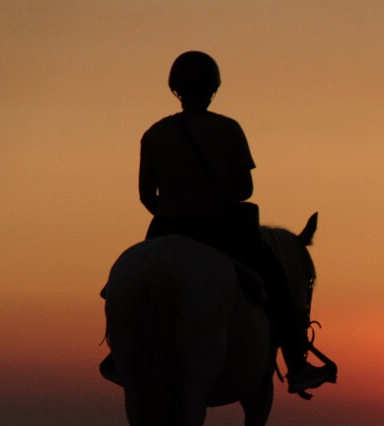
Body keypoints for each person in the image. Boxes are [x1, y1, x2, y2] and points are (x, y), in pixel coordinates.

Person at [102, 51, 335, 396]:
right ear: (213, 89)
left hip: (166, 227)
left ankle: (119, 357)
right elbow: (245, 189)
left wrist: (173, 210)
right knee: (275, 281)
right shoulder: (227, 129)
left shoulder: (155, 134)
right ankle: (297, 366)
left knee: (120, 285)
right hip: (223, 231)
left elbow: (146, 196)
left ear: (176, 89)